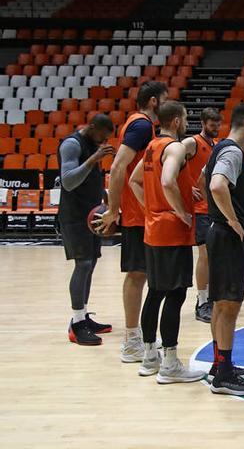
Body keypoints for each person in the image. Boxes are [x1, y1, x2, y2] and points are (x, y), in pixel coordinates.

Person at [128, 100, 205, 384]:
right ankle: (170, 364)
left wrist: (153, 208)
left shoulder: (151, 147)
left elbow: (134, 181)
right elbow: (168, 181)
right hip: (172, 232)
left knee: (156, 292)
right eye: (184, 118)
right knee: (175, 294)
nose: (186, 124)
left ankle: (150, 357)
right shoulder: (175, 147)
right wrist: (179, 211)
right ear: (175, 121)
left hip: (152, 229)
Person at [98, 80, 167, 363]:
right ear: (153, 102)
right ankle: (130, 340)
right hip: (137, 214)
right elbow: (117, 166)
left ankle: (138, 336)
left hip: (141, 211)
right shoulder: (140, 126)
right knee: (138, 275)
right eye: (164, 99)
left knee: (143, 275)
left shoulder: (138, 124)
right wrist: (113, 209)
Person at [203, 103, 244, 395]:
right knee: (229, 305)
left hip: (218, 232)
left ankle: (219, 363)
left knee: (220, 303)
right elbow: (215, 185)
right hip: (227, 235)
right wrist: (234, 221)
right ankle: (224, 375)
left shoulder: (219, 148)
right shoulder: (233, 151)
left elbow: (203, 179)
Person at [58, 113, 115, 345]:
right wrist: (93, 159)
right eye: (102, 135)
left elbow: (91, 179)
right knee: (82, 264)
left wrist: (105, 198)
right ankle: (76, 323)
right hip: (73, 215)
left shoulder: (92, 144)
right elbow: (68, 181)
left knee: (90, 263)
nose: (103, 141)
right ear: (92, 127)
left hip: (91, 213)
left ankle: (83, 316)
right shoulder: (72, 145)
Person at [183, 107, 221, 323]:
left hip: (212, 208)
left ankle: (211, 297)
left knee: (214, 256)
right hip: (199, 209)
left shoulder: (215, 146)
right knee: (204, 255)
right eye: (212, 124)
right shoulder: (192, 143)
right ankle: (202, 301)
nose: (215, 128)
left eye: (218, 124)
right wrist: (187, 186)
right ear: (203, 123)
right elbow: (172, 161)